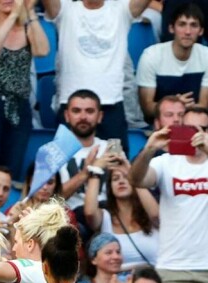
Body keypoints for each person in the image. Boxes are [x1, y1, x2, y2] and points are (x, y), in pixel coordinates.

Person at [129, 106, 208, 283]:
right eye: (191, 128)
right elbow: (136, 179)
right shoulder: (166, 162)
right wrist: (149, 149)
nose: (197, 134)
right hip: (172, 267)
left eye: (203, 128)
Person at [43, 0, 153, 152]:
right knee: (64, 160)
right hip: (73, 108)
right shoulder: (66, 9)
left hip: (111, 109)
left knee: (116, 159)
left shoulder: (120, 11)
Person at [0, 0, 49, 180]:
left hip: (19, 107)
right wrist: (13, 15)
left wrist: (30, 13)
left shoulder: (26, 28)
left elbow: (43, 50)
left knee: (11, 173)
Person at [84, 154, 159, 270]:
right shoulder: (105, 218)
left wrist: (133, 173)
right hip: (116, 280)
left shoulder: (150, 214)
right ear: (110, 187)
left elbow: (155, 215)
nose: (121, 181)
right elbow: (90, 212)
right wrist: (96, 171)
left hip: (152, 278)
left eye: (126, 177)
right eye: (115, 179)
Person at [136, 3, 208, 122]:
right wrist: (174, 105)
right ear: (171, 28)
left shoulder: (206, 56)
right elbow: (147, 108)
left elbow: (204, 105)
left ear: (201, 31)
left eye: (193, 25)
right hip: (160, 125)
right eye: (182, 24)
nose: (188, 31)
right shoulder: (152, 56)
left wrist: (180, 107)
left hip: (194, 122)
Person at [58, 90, 109, 212]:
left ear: (100, 116)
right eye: (76, 111)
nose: (83, 117)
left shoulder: (109, 149)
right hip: (66, 217)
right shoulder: (52, 151)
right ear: (67, 115)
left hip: (106, 215)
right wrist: (85, 173)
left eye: (89, 111)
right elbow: (48, 200)